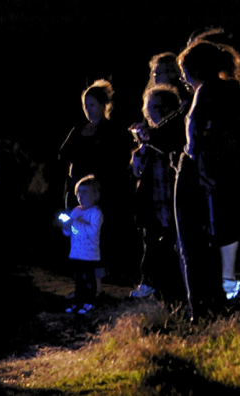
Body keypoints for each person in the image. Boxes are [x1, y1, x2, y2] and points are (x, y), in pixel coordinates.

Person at [175, 40, 240, 315]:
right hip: (231, 176)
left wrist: (192, 152)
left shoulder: (205, 92)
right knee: (228, 241)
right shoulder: (234, 90)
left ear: (193, 70)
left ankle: (207, 309)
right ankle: (229, 302)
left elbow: (194, 126)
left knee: (204, 244)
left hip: (207, 177)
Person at [58, 80, 135, 296]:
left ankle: (96, 287)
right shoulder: (79, 130)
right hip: (77, 190)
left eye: (92, 104)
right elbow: (63, 155)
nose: (88, 109)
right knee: (77, 236)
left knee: (96, 239)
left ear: (103, 105)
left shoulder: (112, 131)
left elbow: (117, 161)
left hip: (99, 193)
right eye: (85, 105)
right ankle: (80, 286)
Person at [128, 85, 187, 302]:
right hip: (155, 205)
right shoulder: (150, 139)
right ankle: (162, 291)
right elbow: (138, 170)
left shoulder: (168, 137)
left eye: (153, 106)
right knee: (157, 248)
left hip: (171, 202)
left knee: (171, 248)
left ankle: (174, 295)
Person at [60, 175, 104, 314]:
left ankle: (89, 302)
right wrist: (67, 227)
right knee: (78, 281)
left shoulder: (96, 213)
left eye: (85, 192)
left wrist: (77, 224)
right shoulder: (76, 210)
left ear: (95, 194)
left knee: (89, 281)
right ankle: (78, 301)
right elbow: (73, 232)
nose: (80, 195)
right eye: (79, 192)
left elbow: (93, 231)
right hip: (76, 253)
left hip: (90, 255)